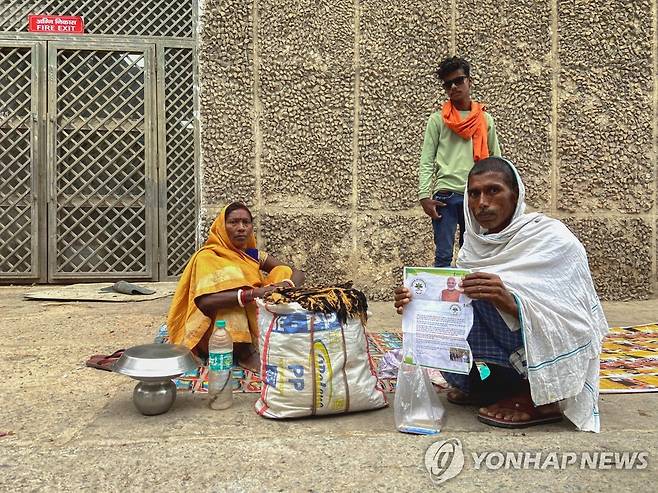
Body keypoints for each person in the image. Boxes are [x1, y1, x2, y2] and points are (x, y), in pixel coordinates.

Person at [396, 157, 608, 431]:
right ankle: (490, 387)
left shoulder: (554, 239)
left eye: (493, 190)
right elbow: (457, 309)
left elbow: (578, 325)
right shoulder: (472, 251)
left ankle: (541, 399)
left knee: (486, 295)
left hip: (543, 353)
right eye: (474, 193)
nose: (482, 202)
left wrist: (512, 303)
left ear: (516, 195)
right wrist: (417, 302)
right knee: (458, 302)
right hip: (507, 357)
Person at [167, 202, 305, 371]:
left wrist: (284, 286)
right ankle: (244, 354)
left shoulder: (253, 255)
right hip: (215, 331)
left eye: (246, 223)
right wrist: (255, 293)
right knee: (234, 300)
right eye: (233, 222)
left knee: (282, 270)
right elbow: (205, 302)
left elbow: (297, 273)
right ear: (222, 227)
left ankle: (267, 338)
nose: (241, 228)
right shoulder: (208, 256)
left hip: (251, 316)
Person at [418, 56, 502, 267]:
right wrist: (424, 197)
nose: (453, 87)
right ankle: (444, 300)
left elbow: (496, 160)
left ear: (469, 81)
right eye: (448, 84)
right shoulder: (437, 120)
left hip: (475, 196)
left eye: (458, 80)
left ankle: (468, 301)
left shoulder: (485, 120)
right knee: (443, 256)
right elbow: (427, 160)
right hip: (445, 195)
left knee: (471, 257)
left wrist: (499, 196)